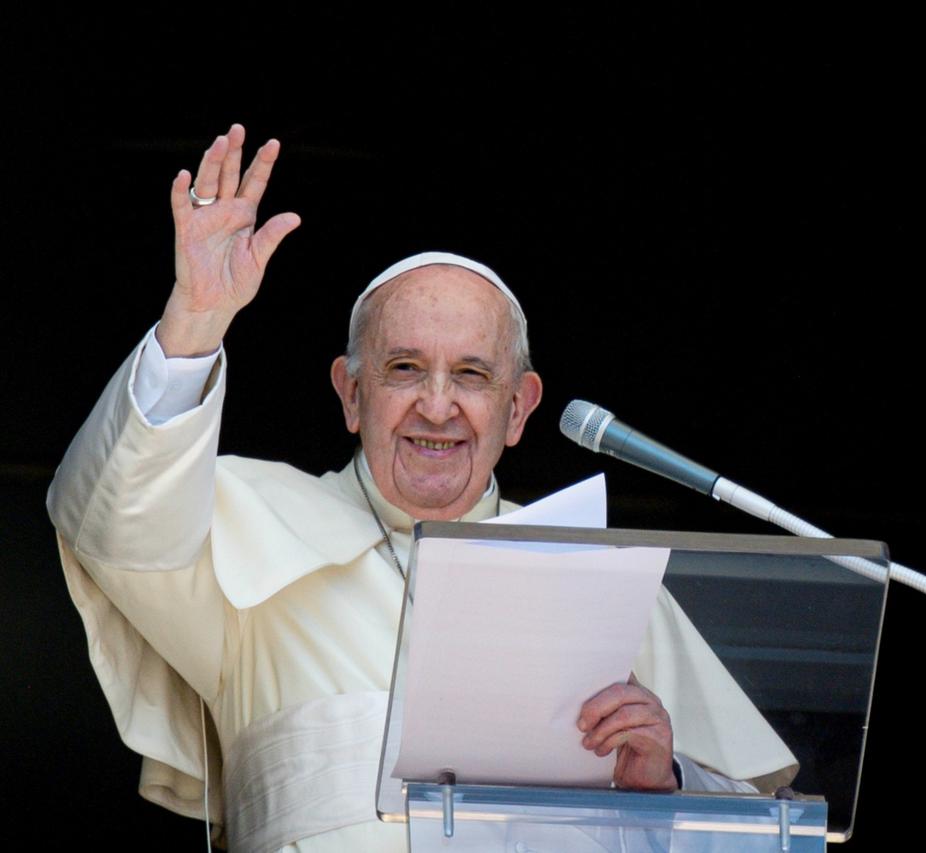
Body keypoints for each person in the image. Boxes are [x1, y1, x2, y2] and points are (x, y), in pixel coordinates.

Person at [48, 124, 797, 851]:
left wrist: (664, 783)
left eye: (471, 374)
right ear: (350, 394)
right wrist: (196, 319)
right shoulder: (249, 527)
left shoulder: (605, 585)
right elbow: (117, 522)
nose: (437, 406)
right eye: (404, 369)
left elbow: (768, 828)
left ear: (519, 407)